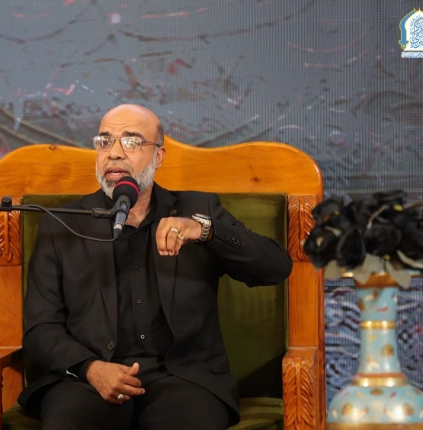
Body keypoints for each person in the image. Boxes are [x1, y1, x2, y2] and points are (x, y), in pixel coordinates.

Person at [18, 104, 292, 430]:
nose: (114, 153)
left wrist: (205, 231)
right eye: (104, 141)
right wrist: (90, 368)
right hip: (88, 381)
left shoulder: (197, 209)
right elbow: (41, 328)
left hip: (183, 379)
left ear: (158, 156)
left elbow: (275, 267)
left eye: (131, 141)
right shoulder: (63, 224)